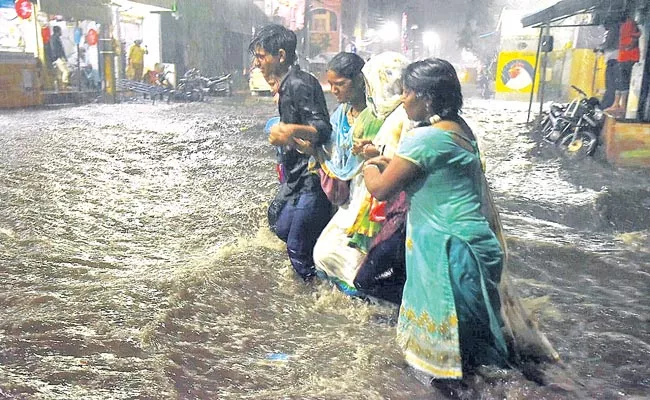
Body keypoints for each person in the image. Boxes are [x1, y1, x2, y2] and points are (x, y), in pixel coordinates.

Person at [363, 58, 510, 378]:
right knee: (477, 354)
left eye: (406, 93)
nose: (402, 100)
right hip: (473, 246)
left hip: (447, 252)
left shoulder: (425, 139)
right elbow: (433, 170)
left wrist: (369, 163)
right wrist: (391, 160)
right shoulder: (458, 128)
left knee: (451, 364)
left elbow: (382, 190)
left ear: (426, 96)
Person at [249, 24, 332, 281]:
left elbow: (322, 128)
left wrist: (288, 130)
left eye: (262, 57)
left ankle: (317, 298)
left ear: (281, 56)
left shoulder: (299, 84)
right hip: (295, 175)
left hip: (311, 177)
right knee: (277, 221)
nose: (257, 63)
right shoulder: (287, 86)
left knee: (296, 249)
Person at [310, 52, 384, 294]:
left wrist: (372, 151)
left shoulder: (379, 116)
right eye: (331, 85)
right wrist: (312, 148)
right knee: (324, 252)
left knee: (358, 255)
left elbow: (391, 152)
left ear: (361, 81)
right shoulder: (340, 115)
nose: (334, 90)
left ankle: (367, 300)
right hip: (350, 194)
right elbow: (332, 153)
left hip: (374, 192)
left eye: (340, 84)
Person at [608, 12, 641, 114]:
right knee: (620, 81)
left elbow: (637, 34)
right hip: (623, 57)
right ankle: (616, 103)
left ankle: (622, 105)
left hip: (629, 57)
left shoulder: (630, 23)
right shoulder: (623, 24)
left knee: (623, 81)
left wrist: (629, 44)